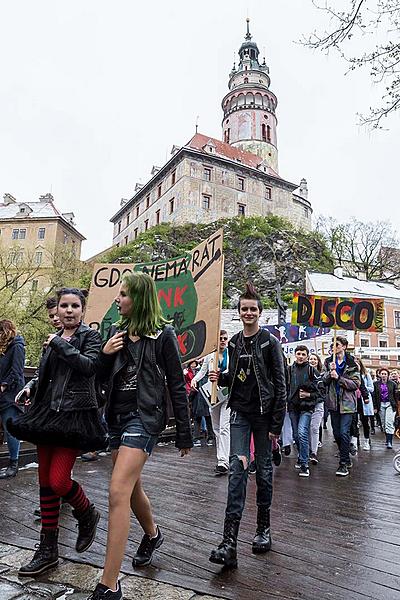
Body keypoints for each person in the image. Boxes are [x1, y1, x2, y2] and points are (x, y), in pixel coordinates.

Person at [88, 272, 192, 600]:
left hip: (144, 418)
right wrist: (105, 354)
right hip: (117, 419)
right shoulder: (117, 334)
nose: (117, 299)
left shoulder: (163, 335)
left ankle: (109, 584)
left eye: (123, 295)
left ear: (139, 299)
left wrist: (185, 433)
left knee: (117, 490)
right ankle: (153, 533)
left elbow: (176, 382)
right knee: (131, 489)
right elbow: (100, 378)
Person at [9, 288, 106, 577]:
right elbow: (43, 374)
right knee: (44, 482)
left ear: (82, 310)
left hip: (74, 417)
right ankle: (48, 549)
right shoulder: (53, 341)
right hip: (46, 414)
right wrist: (30, 387)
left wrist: (60, 345)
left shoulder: (90, 337)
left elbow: (89, 367)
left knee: (59, 480)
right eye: (64, 305)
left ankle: (86, 511)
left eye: (74, 306)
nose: (68, 310)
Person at [208, 283, 286, 568]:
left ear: (260, 313)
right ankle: (229, 542)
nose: (248, 312)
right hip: (239, 413)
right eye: (244, 309)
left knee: (263, 474)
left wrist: (276, 425)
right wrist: (222, 378)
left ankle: (263, 529)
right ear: (239, 313)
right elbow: (238, 375)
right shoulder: (236, 341)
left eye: (253, 309)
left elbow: (280, 383)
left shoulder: (269, 342)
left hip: (264, 417)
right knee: (237, 473)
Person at [191, 330, 230, 475]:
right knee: (217, 428)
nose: (223, 341)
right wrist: (195, 379)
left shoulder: (231, 354)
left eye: (225, 338)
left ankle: (223, 461)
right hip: (213, 395)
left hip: (227, 394)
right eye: (220, 338)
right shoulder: (210, 355)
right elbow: (202, 371)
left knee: (225, 427)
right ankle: (221, 457)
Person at [323, 336, 360, 477]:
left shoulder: (352, 364)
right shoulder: (328, 362)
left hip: (347, 404)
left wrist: (339, 378)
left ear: (344, 346)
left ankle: (343, 463)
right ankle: (346, 453)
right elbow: (323, 381)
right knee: (337, 434)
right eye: (332, 345)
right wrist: (329, 374)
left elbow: (356, 384)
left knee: (344, 432)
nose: (334, 347)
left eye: (336, 344)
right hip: (333, 403)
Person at [287, 346, 320, 477]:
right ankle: (301, 456)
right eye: (298, 353)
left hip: (306, 407)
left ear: (307, 355)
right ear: (295, 355)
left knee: (302, 433)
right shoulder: (289, 370)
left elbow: (321, 390)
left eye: (303, 354)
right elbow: (284, 386)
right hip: (293, 407)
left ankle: (305, 464)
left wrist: (309, 395)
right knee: (295, 435)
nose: (300, 356)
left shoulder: (312, 370)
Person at [0, 320, 25, 479]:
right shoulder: (2, 348)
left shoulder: (17, 346)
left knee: (10, 430)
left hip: (10, 394)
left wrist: (3, 385)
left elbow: (16, 371)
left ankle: (13, 464)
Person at [373, 368, 397, 449]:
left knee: (389, 422)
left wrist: (396, 406)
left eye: (385, 374)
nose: (383, 375)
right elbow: (374, 396)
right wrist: (375, 407)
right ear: (379, 375)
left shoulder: (392, 384)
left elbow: (395, 395)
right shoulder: (376, 384)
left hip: (390, 404)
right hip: (381, 405)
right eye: (382, 374)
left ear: (388, 375)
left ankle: (390, 441)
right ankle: (387, 439)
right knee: (383, 423)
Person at [308, 353, 325, 464]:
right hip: (305, 405)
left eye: (315, 359)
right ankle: (306, 450)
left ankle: (313, 452)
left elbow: (322, 391)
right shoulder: (303, 373)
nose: (313, 361)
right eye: (311, 359)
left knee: (314, 428)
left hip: (318, 404)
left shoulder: (322, 375)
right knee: (305, 429)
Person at [354, 357, 374, 451]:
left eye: (357, 363)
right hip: (354, 401)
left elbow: (371, 388)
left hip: (363, 401)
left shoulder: (366, 374)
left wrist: (362, 387)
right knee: (354, 422)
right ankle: (355, 442)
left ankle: (366, 440)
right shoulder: (351, 375)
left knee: (365, 421)